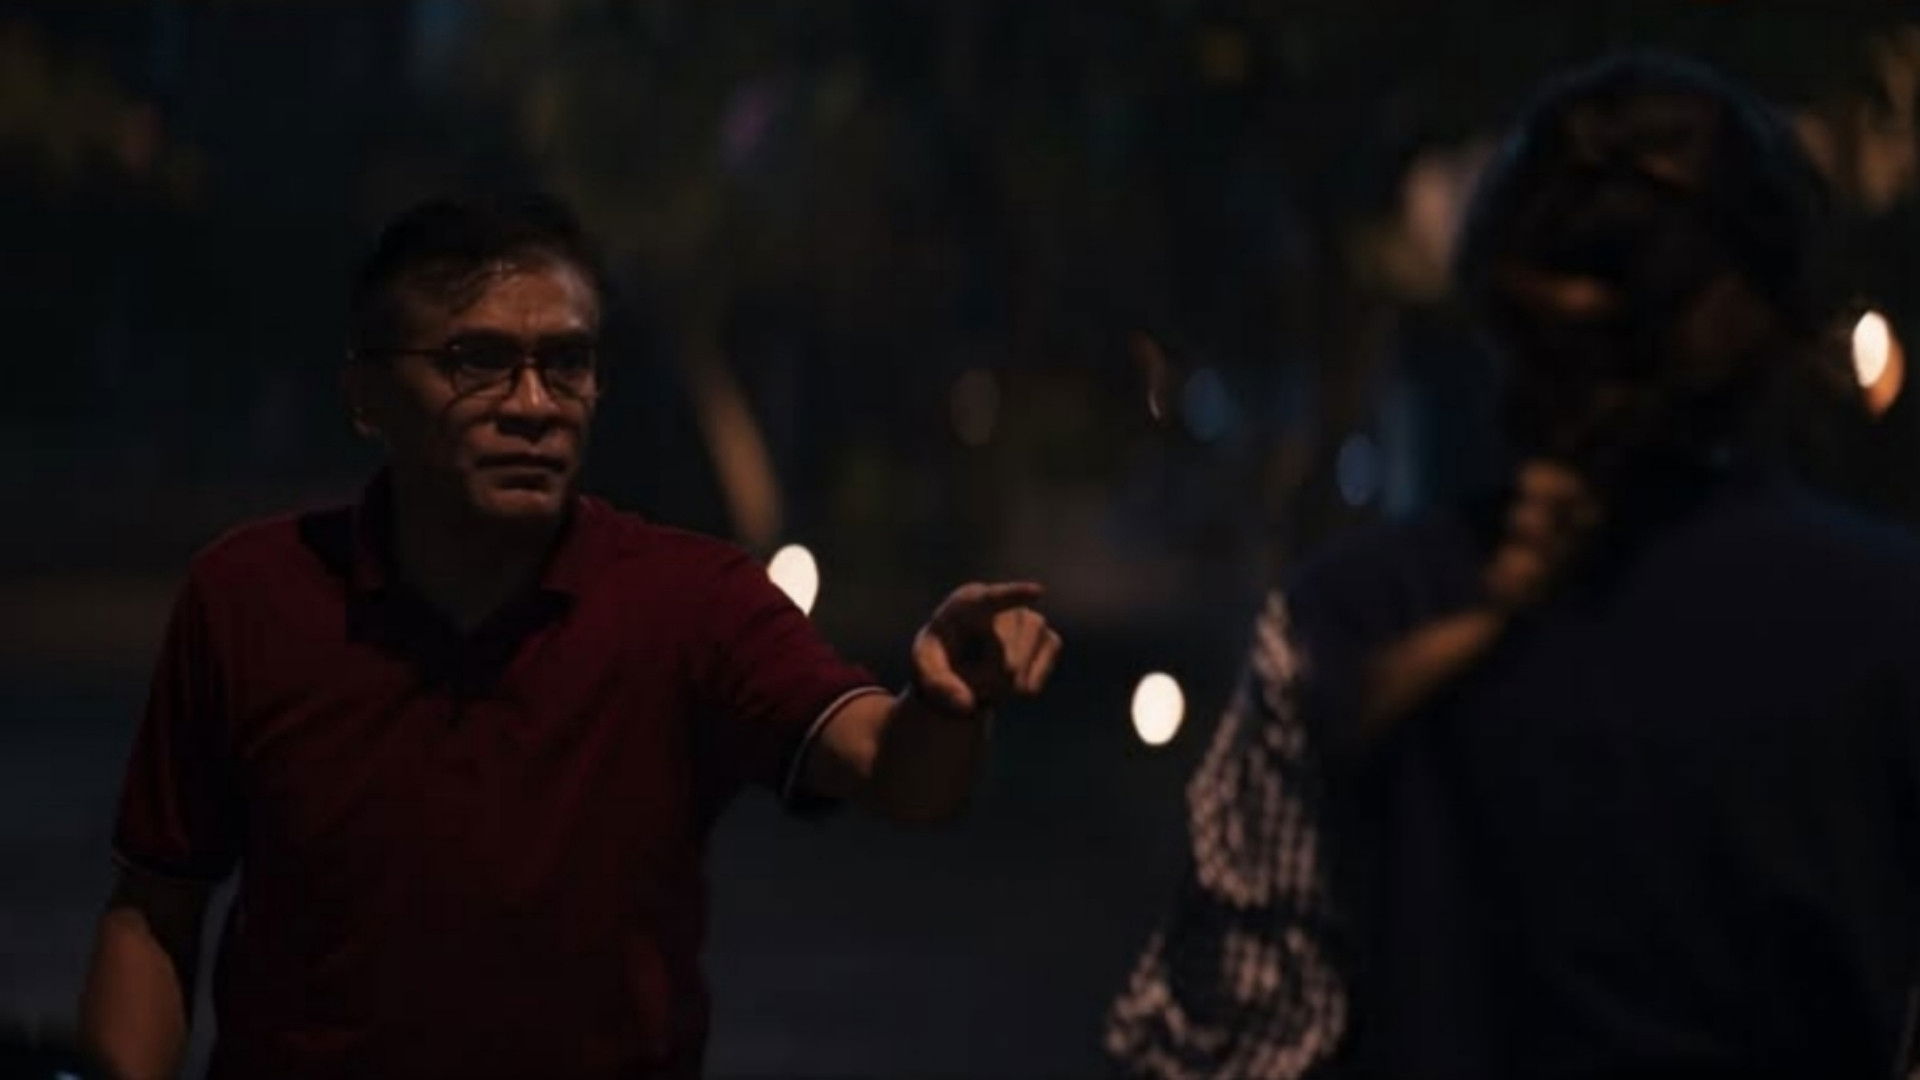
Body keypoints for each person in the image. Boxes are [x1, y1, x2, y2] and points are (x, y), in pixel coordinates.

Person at [78, 195, 1063, 1079]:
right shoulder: (253, 597)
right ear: (366, 396)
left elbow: (896, 771)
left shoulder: (689, 601)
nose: (533, 407)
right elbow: (156, 909)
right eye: (477, 363)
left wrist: (946, 700)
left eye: (568, 364)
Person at [1108, 53, 1920, 1079]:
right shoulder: (1888, 619)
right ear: (1769, 323)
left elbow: (1208, 1052)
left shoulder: (1347, 622)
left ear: (1499, 316)